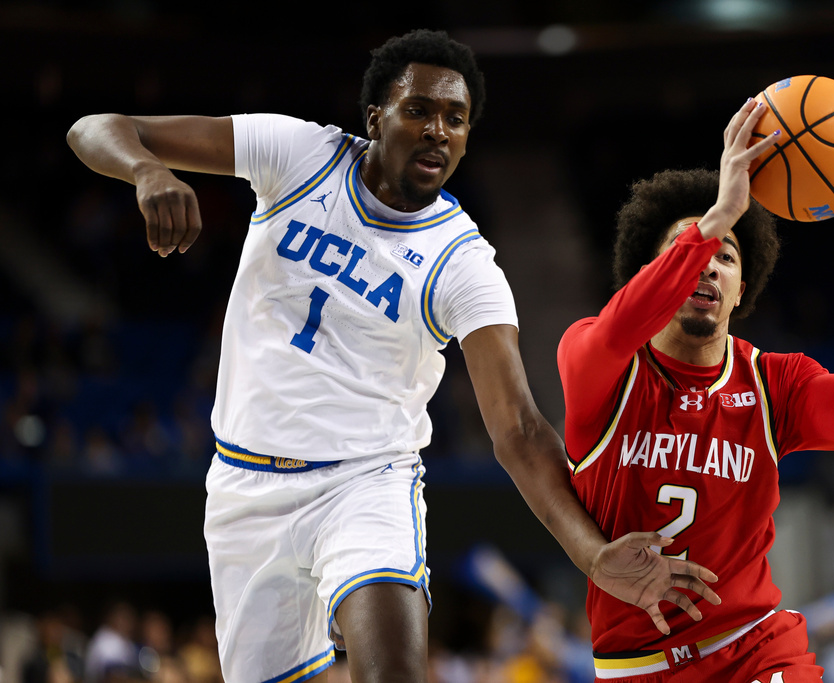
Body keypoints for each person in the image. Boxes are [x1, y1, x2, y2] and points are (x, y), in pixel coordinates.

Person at [67, 29, 692, 683]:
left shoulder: (464, 263)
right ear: (376, 117)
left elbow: (519, 429)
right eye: (419, 109)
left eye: (456, 119)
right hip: (244, 488)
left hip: (365, 483)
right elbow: (97, 127)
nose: (438, 131)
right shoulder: (301, 153)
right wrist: (146, 169)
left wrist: (592, 556)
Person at [557, 98, 834, 681]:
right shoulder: (597, 360)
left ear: (742, 289)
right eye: (691, 249)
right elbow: (619, 327)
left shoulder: (774, 383)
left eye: (726, 256)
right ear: (651, 276)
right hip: (638, 664)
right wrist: (720, 214)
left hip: (755, 646)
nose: (709, 264)